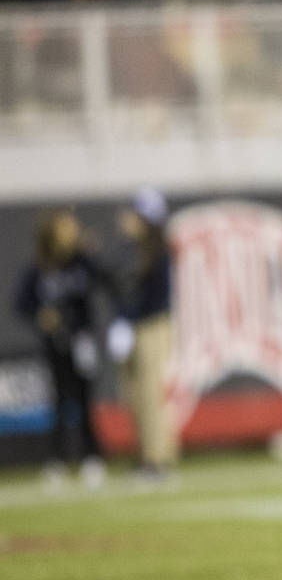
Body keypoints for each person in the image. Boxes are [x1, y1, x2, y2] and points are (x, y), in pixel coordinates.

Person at [13, 208, 109, 490]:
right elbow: (21, 302)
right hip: (55, 344)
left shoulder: (80, 261)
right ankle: (56, 460)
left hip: (81, 341)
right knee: (57, 401)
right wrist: (41, 316)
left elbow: (104, 279)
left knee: (84, 399)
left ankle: (92, 457)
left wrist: (90, 254)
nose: (73, 231)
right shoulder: (40, 266)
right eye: (66, 227)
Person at [108, 187, 177, 483]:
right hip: (133, 326)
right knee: (133, 395)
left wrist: (128, 319)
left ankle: (157, 459)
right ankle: (147, 454)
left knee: (150, 395)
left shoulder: (159, 252)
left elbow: (153, 298)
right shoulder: (129, 250)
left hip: (151, 326)